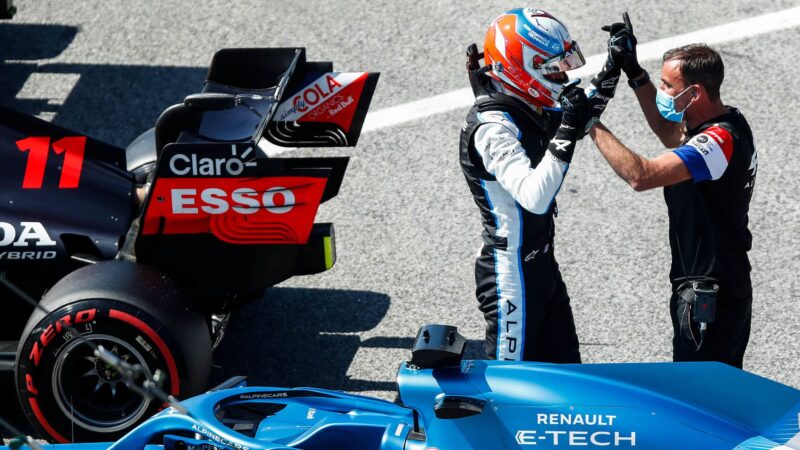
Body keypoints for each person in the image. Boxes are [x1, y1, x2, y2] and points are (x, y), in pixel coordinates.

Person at [588, 14, 758, 368]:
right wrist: (636, 74)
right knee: (717, 390)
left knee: (701, 398)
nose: (662, 92)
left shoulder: (717, 141)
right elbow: (670, 135)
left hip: (709, 294)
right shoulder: (725, 122)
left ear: (694, 92)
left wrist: (589, 122)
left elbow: (642, 176)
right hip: (721, 282)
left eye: (667, 85)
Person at [459, 8, 617, 362]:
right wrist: (567, 129)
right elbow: (535, 197)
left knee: (569, 379)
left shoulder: (527, 102)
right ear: (521, 67)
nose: (562, 76)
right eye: (553, 68)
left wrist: (615, 67)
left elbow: (580, 114)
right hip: (510, 279)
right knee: (512, 393)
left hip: (541, 267)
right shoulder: (492, 129)